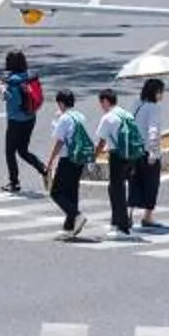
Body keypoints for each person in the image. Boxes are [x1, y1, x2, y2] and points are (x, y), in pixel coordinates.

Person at [94, 87, 142, 239]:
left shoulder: (108, 117)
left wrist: (92, 157)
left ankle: (122, 226)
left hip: (117, 156)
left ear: (106, 101)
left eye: (101, 103)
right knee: (117, 188)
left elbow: (101, 141)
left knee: (117, 191)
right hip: (131, 156)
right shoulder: (126, 114)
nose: (101, 106)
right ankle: (117, 221)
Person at [47, 89, 95, 240]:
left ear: (61, 103)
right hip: (79, 158)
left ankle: (76, 215)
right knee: (72, 191)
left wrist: (50, 161)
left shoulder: (64, 118)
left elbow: (59, 141)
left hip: (67, 158)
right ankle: (69, 227)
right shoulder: (80, 116)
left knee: (56, 192)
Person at [0, 49, 48, 193]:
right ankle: (43, 168)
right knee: (22, 150)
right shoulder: (28, 77)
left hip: (16, 120)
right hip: (30, 117)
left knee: (10, 151)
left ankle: (14, 182)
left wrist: (2, 90)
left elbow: (14, 101)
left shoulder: (13, 81)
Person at [133, 76, 167, 226]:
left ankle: (128, 214)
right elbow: (153, 131)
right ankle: (147, 217)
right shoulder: (153, 108)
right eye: (161, 91)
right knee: (151, 184)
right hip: (148, 152)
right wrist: (154, 151)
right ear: (156, 92)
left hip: (135, 151)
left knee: (134, 182)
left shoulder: (137, 105)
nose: (162, 95)